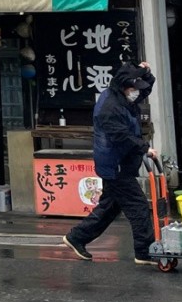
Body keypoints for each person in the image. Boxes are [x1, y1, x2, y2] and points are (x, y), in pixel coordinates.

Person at [62, 61, 158, 265]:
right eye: (134, 89)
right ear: (125, 87)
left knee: (110, 208)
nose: (137, 94)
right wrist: (145, 148)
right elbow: (121, 136)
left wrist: (146, 73)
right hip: (116, 166)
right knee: (138, 206)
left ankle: (77, 237)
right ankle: (144, 251)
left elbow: (145, 89)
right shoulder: (109, 108)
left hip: (119, 163)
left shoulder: (123, 96)